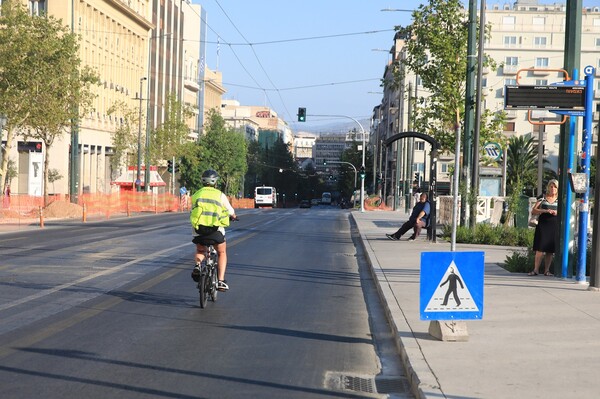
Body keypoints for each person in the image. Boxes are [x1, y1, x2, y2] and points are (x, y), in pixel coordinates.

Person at [189, 169, 237, 291]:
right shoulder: (220, 195)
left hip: (199, 231)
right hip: (215, 232)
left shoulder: (196, 194)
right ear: (215, 182)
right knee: (221, 252)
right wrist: (233, 216)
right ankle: (220, 281)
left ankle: (198, 265)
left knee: (200, 249)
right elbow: (231, 211)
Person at [528, 179, 559, 276]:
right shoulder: (542, 197)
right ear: (548, 187)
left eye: (555, 187)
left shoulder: (560, 198)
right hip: (543, 225)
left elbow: (564, 212)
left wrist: (556, 212)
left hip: (554, 225)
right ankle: (536, 269)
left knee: (550, 250)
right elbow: (534, 210)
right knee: (540, 248)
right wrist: (545, 211)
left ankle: (547, 270)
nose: (553, 188)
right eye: (551, 186)